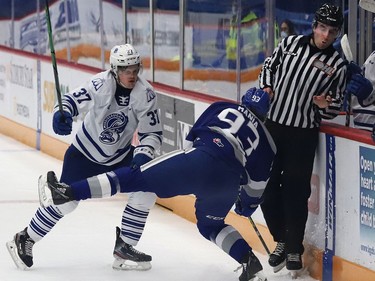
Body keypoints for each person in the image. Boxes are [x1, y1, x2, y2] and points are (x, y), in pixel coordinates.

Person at [38, 87, 276, 281]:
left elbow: (191, 138)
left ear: (243, 101)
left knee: (135, 178)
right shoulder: (267, 142)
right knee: (210, 226)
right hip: (228, 181)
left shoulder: (222, 106)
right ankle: (247, 259)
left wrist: (191, 169)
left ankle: (67, 191)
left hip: (200, 159)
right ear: (265, 114)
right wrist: (246, 206)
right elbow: (257, 186)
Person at [6, 44, 163, 271]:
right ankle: (25, 238)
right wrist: (63, 112)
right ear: (115, 69)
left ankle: (125, 245)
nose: (132, 75)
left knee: (147, 189)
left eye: (135, 69)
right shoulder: (100, 84)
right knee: (66, 204)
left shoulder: (146, 94)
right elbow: (73, 100)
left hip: (119, 155)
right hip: (84, 154)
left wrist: (143, 155)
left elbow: (152, 133)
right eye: (126, 70)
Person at [258, 3, 349, 275]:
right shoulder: (289, 44)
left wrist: (325, 105)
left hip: (303, 132)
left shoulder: (337, 65)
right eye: (322, 28)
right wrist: (267, 86)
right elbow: (268, 67)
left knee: (296, 191)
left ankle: (294, 248)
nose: (325, 35)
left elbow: (335, 105)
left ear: (336, 34)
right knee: (266, 186)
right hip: (273, 126)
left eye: (332, 32)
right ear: (314, 26)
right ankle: (283, 240)